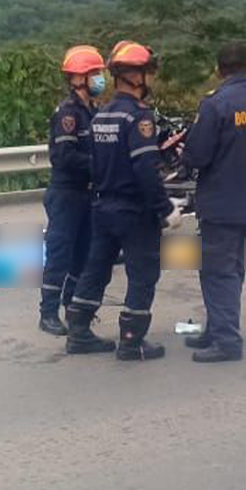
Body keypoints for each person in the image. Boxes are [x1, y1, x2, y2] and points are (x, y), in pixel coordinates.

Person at [65, 40, 182, 361]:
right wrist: (165, 208)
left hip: (102, 207)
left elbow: (95, 162)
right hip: (133, 210)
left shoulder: (102, 116)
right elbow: (146, 168)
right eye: (147, 73)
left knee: (96, 269)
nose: (151, 79)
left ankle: (78, 332)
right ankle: (132, 341)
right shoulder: (138, 118)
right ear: (135, 76)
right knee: (143, 273)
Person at [176, 42, 246, 363]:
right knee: (233, 268)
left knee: (218, 271)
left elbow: (199, 154)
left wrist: (184, 156)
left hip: (221, 202)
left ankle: (226, 341)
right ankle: (217, 328)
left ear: (219, 70)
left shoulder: (215, 105)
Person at [39, 46, 107, 336]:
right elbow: (64, 156)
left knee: (84, 255)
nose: (100, 79)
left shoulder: (93, 111)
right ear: (79, 78)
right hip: (66, 194)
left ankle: (73, 308)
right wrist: (100, 164)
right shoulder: (68, 113)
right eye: (95, 74)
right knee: (60, 254)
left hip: (88, 194)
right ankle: (48, 313)